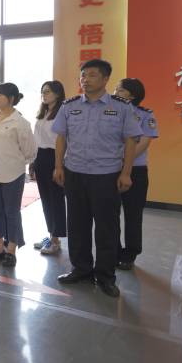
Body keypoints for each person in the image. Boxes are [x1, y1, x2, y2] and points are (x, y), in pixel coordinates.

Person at [53, 59, 142, 298]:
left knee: (107, 228)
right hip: (74, 173)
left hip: (107, 175)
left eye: (92, 75)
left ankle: (105, 276)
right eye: (83, 75)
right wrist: (58, 166)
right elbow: (61, 138)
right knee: (77, 224)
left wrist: (126, 173)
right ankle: (81, 269)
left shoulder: (122, 107)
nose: (85, 79)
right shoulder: (69, 106)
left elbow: (131, 141)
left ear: (105, 79)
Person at [0, 83, 37, 268]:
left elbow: (30, 151)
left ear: (11, 98)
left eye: (0, 95)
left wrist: (15, 162)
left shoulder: (20, 123)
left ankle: (11, 250)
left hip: (12, 174)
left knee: (11, 212)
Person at [114, 78, 158, 271]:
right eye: (115, 89)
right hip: (110, 169)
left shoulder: (145, 115)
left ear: (132, 95)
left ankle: (130, 254)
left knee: (133, 214)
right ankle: (113, 250)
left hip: (135, 171)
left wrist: (125, 160)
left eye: (120, 90)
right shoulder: (110, 113)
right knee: (110, 214)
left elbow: (145, 142)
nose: (115, 93)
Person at [32, 81, 67, 255]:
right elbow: (36, 139)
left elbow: (65, 141)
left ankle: (56, 240)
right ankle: (51, 234)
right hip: (40, 156)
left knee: (56, 200)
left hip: (55, 157)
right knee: (45, 199)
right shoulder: (43, 112)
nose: (44, 95)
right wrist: (33, 162)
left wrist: (59, 165)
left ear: (58, 94)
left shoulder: (63, 112)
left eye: (47, 92)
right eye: (42, 92)